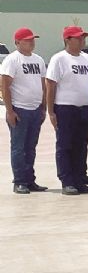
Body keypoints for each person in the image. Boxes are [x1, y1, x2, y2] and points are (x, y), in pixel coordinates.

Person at [45, 26, 88, 195]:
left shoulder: (86, 58)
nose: (83, 41)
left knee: (81, 146)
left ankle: (79, 179)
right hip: (65, 108)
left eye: (83, 38)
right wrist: (51, 111)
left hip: (84, 109)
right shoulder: (59, 59)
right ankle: (67, 181)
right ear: (67, 39)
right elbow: (50, 85)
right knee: (65, 145)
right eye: (79, 38)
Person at [2, 28, 47, 194]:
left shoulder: (39, 60)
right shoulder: (12, 60)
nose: (31, 42)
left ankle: (30, 180)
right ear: (17, 42)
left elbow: (43, 85)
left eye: (33, 39)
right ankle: (19, 181)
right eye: (27, 40)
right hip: (19, 109)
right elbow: (5, 86)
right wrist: (10, 111)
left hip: (35, 109)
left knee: (31, 147)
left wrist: (43, 107)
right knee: (18, 147)